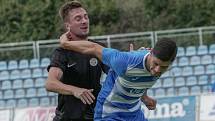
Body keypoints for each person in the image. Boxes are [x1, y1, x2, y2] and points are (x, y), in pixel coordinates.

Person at [59, 32, 178, 121]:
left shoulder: (160, 67)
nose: (157, 70)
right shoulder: (125, 62)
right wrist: (66, 44)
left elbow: (138, 80)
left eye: (163, 67)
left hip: (133, 113)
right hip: (109, 112)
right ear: (151, 53)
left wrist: (144, 97)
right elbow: (94, 48)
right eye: (156, 64)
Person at [45, 1, 109, 121]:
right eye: (78, 19)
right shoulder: (62, 53)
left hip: (95, 116)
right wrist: (75, 90)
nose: (84, 21)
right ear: (68, 26)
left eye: (86, 17)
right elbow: (50, 83)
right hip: (67, 117)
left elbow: (117, 72)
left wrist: (137, 58)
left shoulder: (98, 47)